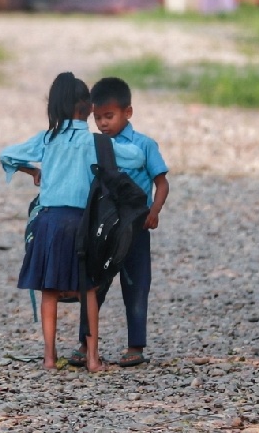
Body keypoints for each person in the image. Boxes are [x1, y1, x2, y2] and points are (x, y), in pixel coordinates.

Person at [0, 72, 145, 372]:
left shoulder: (46, 139)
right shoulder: (95, 142)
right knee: (88, 289)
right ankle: (92, 359)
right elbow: (135, 158)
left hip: (49, 222)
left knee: (49, 291)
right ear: (88, 108)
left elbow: (8, 155)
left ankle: (49, 359)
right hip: (83, 223)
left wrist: (33, 172)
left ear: (53, 106)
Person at [71, 76, 170, 368]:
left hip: (136, 226)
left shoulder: (144, 145)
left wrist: (155, 210)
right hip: (103, 227)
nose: (102, 124)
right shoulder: (94, 145)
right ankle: (85, 342)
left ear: (128, 112)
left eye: (109, 116)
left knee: (136, 284)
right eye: (98, 118)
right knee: (93, 285)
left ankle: (135, 345)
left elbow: (162, 183)